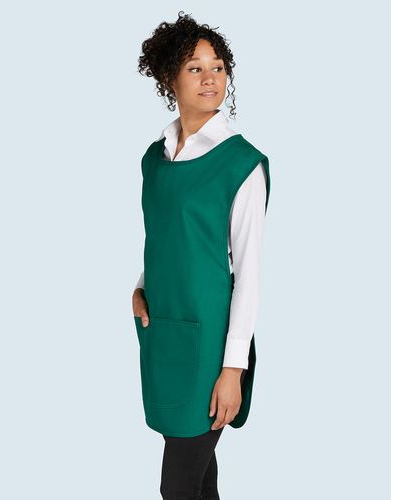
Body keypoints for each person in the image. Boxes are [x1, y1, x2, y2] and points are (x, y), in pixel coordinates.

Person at [131, 11, 271, 500]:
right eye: (195, 68)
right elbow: (164, 236)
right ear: (169, 78)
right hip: (165, 333)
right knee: (199, 482)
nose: (211, 77)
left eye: (218, 67)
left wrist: (233, 370)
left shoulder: (242, 164)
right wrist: (141, 287)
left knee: (177, 486)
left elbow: (247, 276)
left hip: (211, 344)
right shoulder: (154, 159)